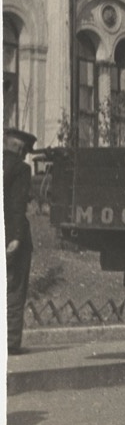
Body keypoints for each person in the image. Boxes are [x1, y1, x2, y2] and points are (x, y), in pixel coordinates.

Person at [5, 128, 36, 357]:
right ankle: (10, 342)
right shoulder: (21, 169)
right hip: (12, 236)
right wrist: (16, 237)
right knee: (14, 289)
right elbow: (17, 204)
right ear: (20, 148)